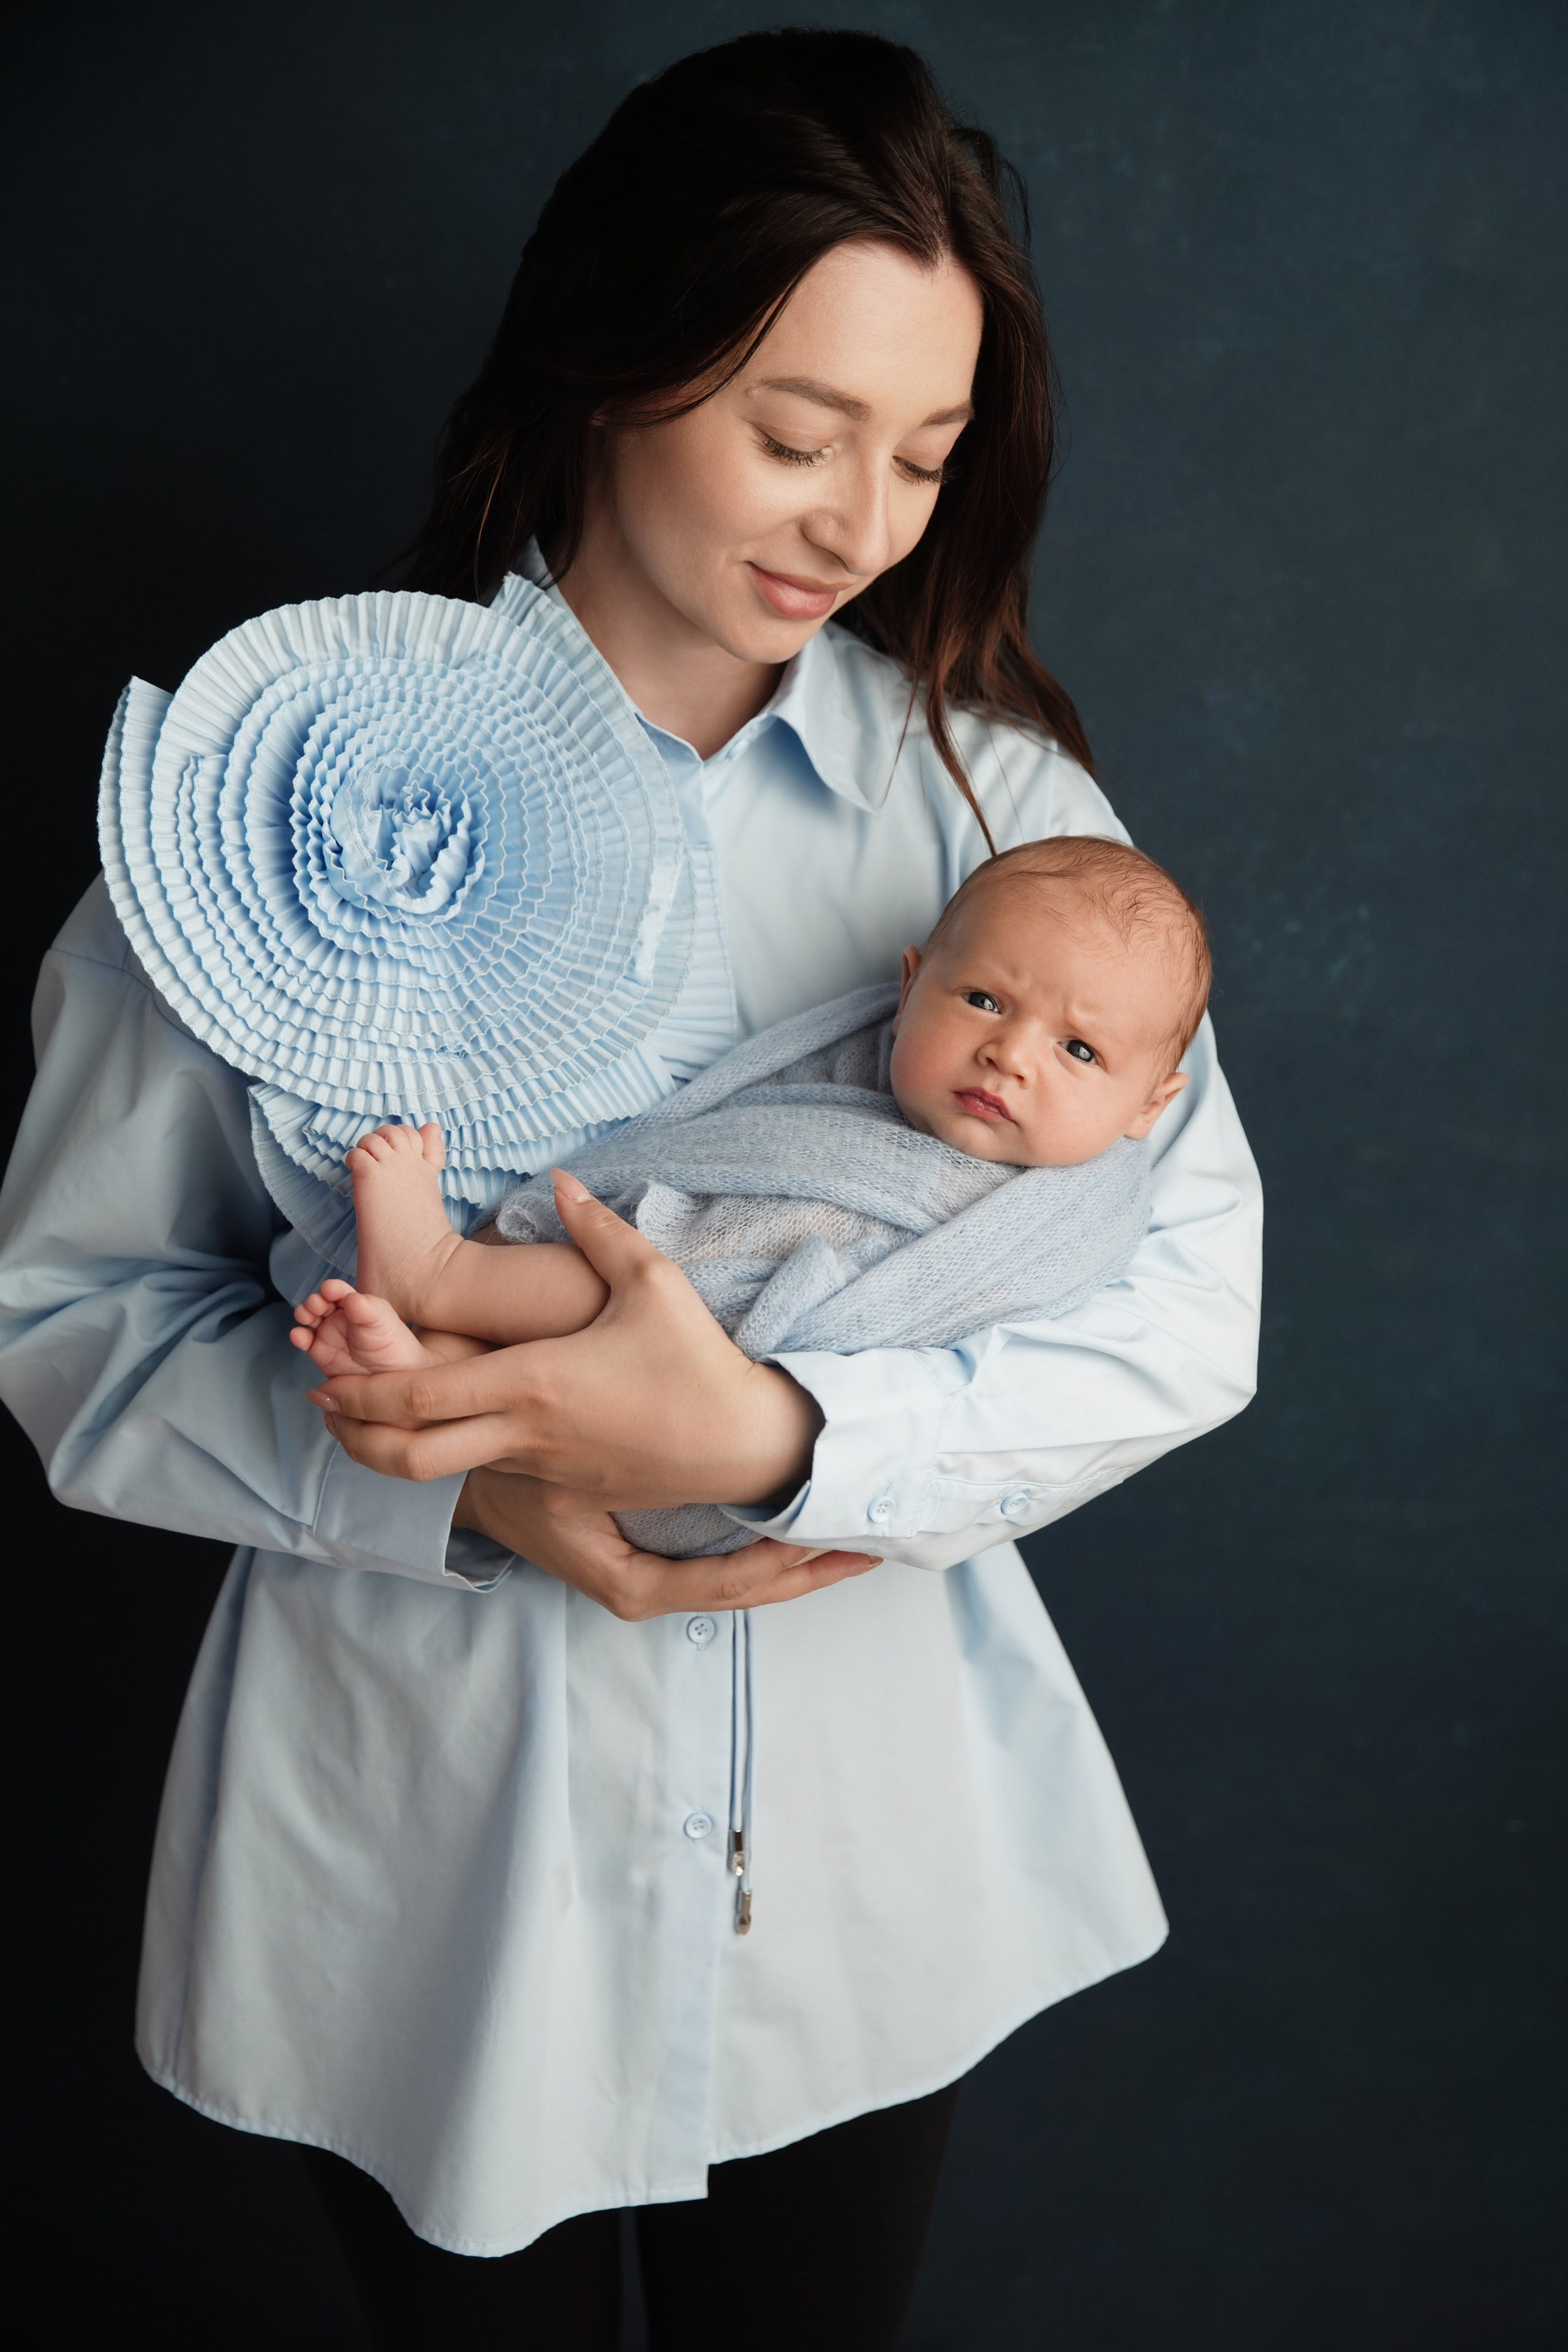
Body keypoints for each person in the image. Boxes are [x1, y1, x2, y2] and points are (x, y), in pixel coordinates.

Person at [0, 29, 1261, 2352]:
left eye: (926, 451)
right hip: (436, 1856)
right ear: (606, 361)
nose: (861, 520)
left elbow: (1182, 1315)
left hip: (867, 1854)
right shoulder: (273, 811)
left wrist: (778, 1449)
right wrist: (463, 1497)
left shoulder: (994, 807)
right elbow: (72, 1324)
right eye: (796, 431)